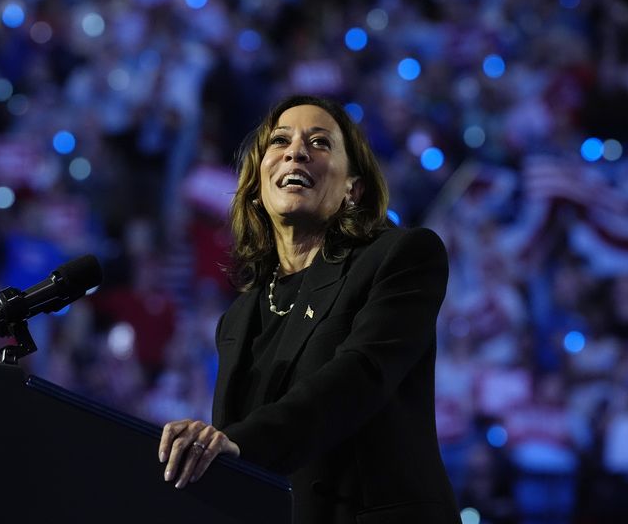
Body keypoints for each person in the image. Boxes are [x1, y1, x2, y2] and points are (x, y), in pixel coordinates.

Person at [157, 95, 460, 523]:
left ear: (352, 189)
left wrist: (237, 441)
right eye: (280, 141)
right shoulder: (238, 318)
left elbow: (358, 377)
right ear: (259, 186)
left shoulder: (402, 257)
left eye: (319, 142)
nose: (295, 151)